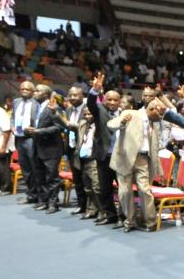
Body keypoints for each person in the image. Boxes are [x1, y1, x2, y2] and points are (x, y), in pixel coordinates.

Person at [108, 99, 165, 232]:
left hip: (143, 159)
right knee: (124, 192)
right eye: (160, 114)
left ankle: (150, 222)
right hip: (125, 159)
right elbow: (111, 124)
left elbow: (155, 147)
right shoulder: (131, 113)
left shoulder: (154, 122)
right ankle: (130, 221)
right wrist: (121, 122)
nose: (161, 117)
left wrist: (159, 168)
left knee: (145, 190)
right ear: (152, 109)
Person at [86, 73, 121, 225]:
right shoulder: (100, 111)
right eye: (109, 99)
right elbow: (91, 104)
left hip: (121, 158)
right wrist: (94, 90)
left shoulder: (126, 114)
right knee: (105, 188)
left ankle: (125, 217)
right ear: (105, 100)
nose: (112, 102)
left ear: (120, 102)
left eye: (115, 100)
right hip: (104, 156)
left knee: (123, 190)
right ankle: (110, 215)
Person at [25, 86, 65, 214]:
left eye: (38, 91)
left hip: (51, 148)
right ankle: (44, 201)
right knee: (39, 176)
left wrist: (38, 131)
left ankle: (54, 203)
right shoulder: (36, 107)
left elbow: (59, 127)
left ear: (46, 94)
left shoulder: (54, 107)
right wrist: (30, 129)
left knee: (52, 177)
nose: (34, 93)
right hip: (37, 146)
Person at [56, 86, 88, 214]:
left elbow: (81, 127)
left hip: (85, 149)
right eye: (71, 95)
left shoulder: (87, 110)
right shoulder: (68, 110)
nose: (73, 97)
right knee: (77, 178)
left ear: (82, 96)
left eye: (76, 95)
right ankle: (81, 204)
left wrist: (65, 122)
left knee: (86, 179)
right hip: (71, 148)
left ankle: (90, 206)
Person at [11, 81, 40, 204]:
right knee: (26, 169)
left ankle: (41, 196)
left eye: (27, 89)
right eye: (22, 89)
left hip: (31, 138)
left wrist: (36, 129)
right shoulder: (16, 101)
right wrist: (11, 126)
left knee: (35, 167)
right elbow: (12, 116)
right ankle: (31, 195)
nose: (23, 91)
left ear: (33, 92)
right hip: (19, 137)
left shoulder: (37, 103)